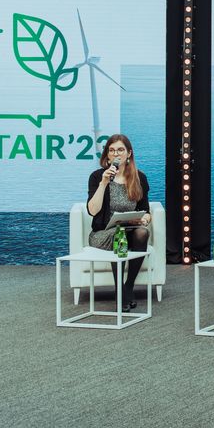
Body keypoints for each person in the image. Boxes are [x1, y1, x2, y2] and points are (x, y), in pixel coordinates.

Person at [87, 134, 152, 312]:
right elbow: (92, 210)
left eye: (121, 150)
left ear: (129, 153)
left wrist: (145, 219)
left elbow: (146, 210)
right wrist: (103, 183)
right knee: (119, 234)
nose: (116, 154)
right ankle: (120, 291)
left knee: (142, 233)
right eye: (112, 150)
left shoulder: (139, 178)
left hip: (129, 229)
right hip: (103, 234)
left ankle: (128, 286)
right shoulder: (97, 177)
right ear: (107, 155)